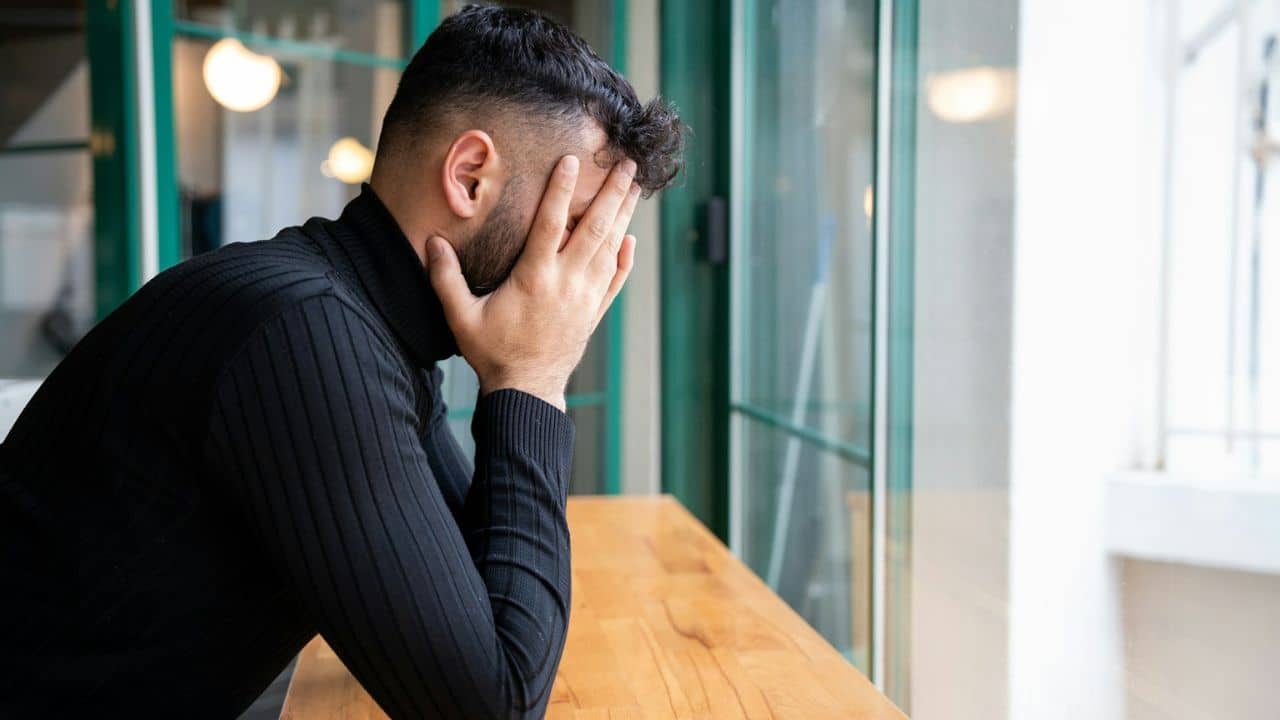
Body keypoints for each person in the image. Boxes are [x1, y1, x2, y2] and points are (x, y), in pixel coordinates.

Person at [0, 5, 683, 718]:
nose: (586, 271)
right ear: (471, 176)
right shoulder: (301, 333)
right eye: (575, 226)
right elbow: (494, 704)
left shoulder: (363, 325)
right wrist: (533, 380)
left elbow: (482, 593)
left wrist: (522, 375)